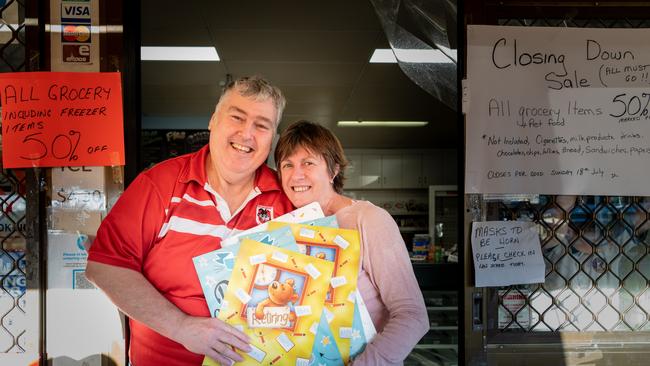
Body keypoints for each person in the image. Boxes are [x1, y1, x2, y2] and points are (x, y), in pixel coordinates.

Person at [86, 76, 294, 366]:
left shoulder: (287, 202)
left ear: (272, 138)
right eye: (237, 117)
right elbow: (105, 266)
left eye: (262, 125)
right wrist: (181, 327)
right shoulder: (159, 185)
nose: (247, 134)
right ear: (213, 121)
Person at [274, 120, 429, 365]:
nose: (296, 174)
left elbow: (412, 316)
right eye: (287, 165)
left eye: (308, 163)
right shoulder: (284, 230)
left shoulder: (368, 219)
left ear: (334, 169)